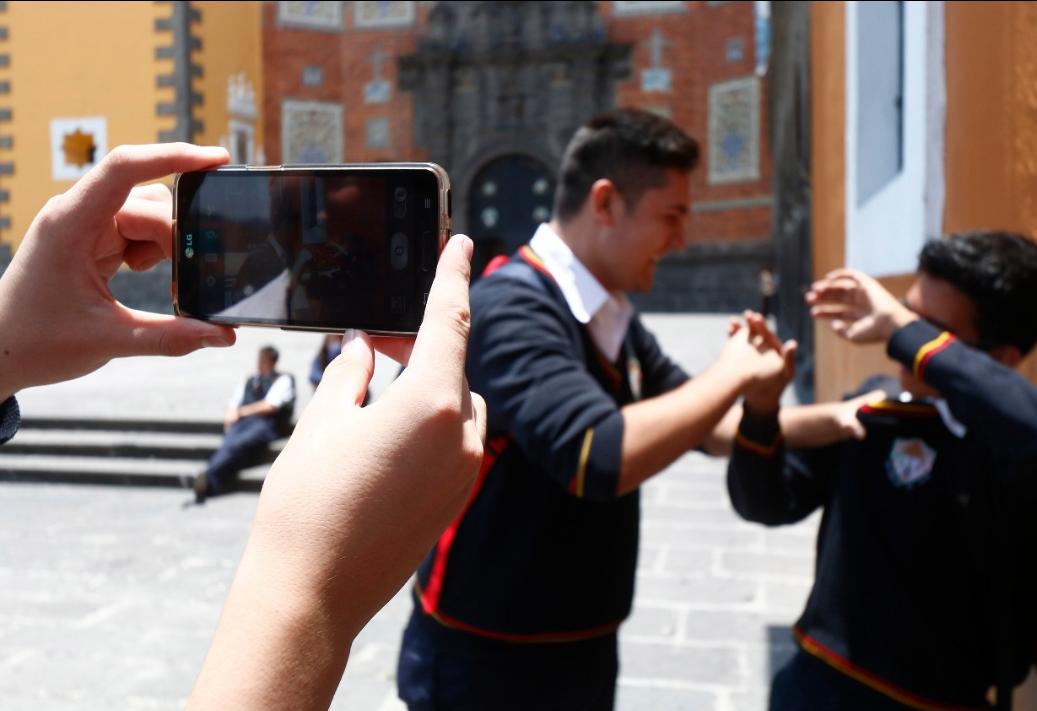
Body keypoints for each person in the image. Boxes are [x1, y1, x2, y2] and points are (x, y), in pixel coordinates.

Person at [395, 108, 872, 710]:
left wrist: (818, 414)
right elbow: (596, 454)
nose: (680, 240)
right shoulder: (511, 305)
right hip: (490, 654)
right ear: (606, 203)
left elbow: (704, 420)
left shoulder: (612, 315)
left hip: (580, 639)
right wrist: (732, 371)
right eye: (670, 217)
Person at [0, 142, 487, 709]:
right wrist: (310, 592)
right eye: (307, 219)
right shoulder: (268, 287)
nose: (322, 233)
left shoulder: (273, 287)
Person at [727, 231, 1037, 710]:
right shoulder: (877, 409)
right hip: (816, 685)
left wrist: (897, 325)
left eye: (923, 331)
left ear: (1000, 360)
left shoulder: (1012, 443)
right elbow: (765, 503)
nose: (899, 346)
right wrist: (762, 410)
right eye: (906, 317)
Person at [191, 345, 296, 503]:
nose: (260, 362)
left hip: (265, 424)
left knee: (237, 444)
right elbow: (235, 402)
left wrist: (241, 412)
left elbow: (270, 405)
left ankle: (208, 476)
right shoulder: (250, 379)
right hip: (244, 422)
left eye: (264, 359)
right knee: (229, 443)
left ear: (273, 361)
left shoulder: (283, 379)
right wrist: (231, 415)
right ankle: (210, 479)